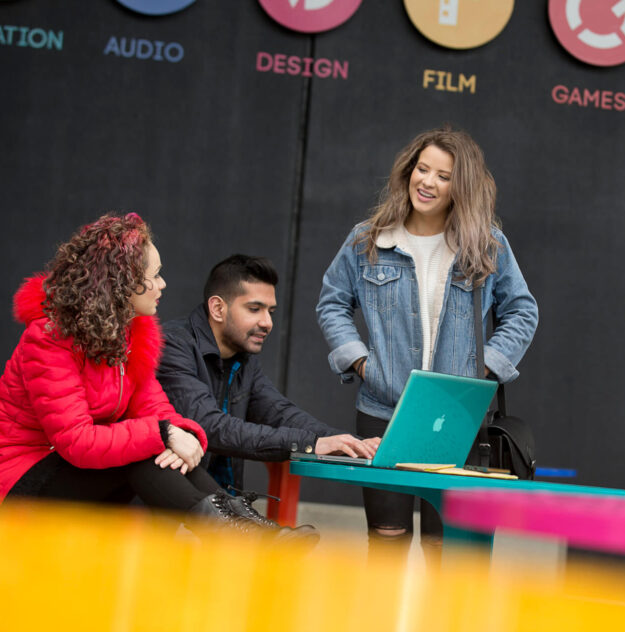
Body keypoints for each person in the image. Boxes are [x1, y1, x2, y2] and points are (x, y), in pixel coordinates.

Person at [316, 127, 538, 564]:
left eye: (444, 175)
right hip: (382, 414)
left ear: (463, 185)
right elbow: (332, 303)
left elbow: (523, 312)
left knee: (448, 552)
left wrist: (482, 371)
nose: (428, 182)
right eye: (423, 169)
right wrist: (361, 363)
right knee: (387, 542)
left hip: (456, 418)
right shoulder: (368, 239)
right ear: (408, 171)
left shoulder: (487, 244)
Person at [0, 213, 278, 533]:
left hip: (80, 472)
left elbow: (154, 407)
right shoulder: (50, 338)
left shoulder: (131, 335)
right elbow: (76, 441)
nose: (162, 284)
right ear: (123, 282)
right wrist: (164, 434)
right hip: (23, 481)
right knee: (141, 450)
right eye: (155, 275)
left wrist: (180, 433)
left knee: (151, 446)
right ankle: (234, 532)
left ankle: (245, 526)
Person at [157, 254, 378, 496]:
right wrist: (311, 444)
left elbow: (280, 413)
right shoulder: (173, 345)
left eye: (270, 311)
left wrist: (348, 442)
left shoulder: (242, 359)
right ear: (218, 308)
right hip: (164, 512)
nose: (267, 322)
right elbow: (209, 426)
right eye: (254, 309)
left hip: (218, 506)